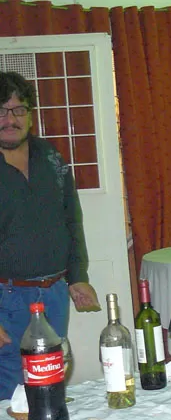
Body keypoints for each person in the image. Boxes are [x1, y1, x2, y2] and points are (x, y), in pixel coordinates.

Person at [0, 71, 100, 400]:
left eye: (18, 110)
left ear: (30, 115)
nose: (10, 119)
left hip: (54, 295)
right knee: (11, 388)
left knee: (51, 378)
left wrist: (78, 276)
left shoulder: (51, 157)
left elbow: (71, 219)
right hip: (7, 299)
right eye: (1, 110)